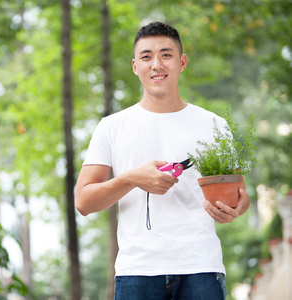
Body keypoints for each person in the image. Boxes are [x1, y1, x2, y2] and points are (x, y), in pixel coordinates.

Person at [75, 21, 250, 300]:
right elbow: (83, 202)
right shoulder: (111, 126)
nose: (156, 64)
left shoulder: (214, 124)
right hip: (137, 272)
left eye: (166, 55)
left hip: (202, 268)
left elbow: (240, 195)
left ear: (181, 62)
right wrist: (131, 179)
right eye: (146, 56)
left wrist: (237, 208)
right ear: (135, 66)